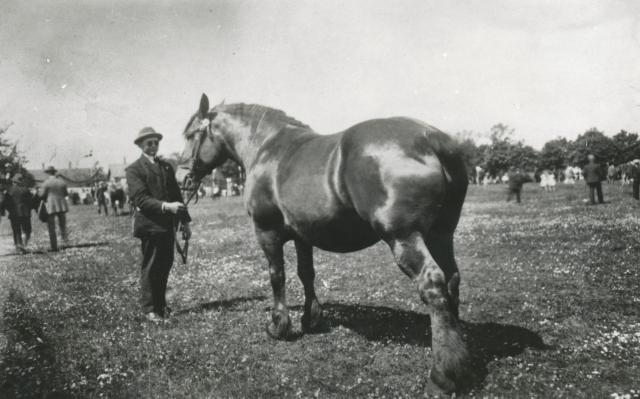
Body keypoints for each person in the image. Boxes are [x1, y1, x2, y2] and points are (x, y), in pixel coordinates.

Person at [126, 127, 191, 323]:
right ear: (140, 145)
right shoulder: (134, 169)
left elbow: (177, 197)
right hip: (149, 226)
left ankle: (161, 306)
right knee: (151, 267)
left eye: (156, 142)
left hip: (167, 227)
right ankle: (150, 310)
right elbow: (141, 200)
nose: (153, 146)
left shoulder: (166, 167)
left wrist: (185, 223)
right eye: (149, 143)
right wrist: (166, 206)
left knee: (165, 265)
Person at [0, 174, 34, 251]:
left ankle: (18, 246)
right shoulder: (26, 190)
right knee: (27, 230)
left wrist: (5, 210)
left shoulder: (9, 190)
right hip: (25, 213)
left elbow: (5, 202)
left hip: (14, 213)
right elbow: (31, 202)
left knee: (16, 230)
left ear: (14, 182)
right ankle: (25, 244)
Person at [39, 166, 69, 251]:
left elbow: (42, 195)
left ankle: (54, 246)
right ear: (54, 172)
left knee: (51, 227)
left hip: (51, 206)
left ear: (48, 173)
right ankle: (64, 241)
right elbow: (66, 194)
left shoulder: (46, 183)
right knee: (62, 225)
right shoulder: (61, 182)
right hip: (62, 205)